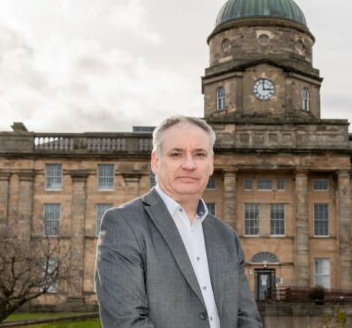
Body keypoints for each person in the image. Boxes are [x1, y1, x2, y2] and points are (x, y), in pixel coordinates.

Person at [95, 116, 262, 328]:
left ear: (211, 164)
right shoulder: (124, 223)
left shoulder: (226, 236)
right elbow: (126, 322)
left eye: (199, 154)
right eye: (176, 154)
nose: (189, 164)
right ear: (156, 162)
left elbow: (247, 317)